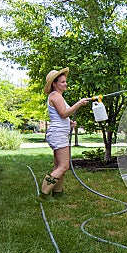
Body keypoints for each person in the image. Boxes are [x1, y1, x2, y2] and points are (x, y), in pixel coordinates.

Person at [39, 67, 89, 200]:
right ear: (54, 84)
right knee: (64, 166)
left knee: (58, 166)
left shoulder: (57, 96)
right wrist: (78, 104)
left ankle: (57, 193)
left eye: (65, 81)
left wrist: (69, 123)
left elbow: (61, 116)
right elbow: (63, 113)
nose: (65, 84)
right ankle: (43, 194)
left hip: (58, 133)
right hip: (58, 134)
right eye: (62, 82)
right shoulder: (56, 96)